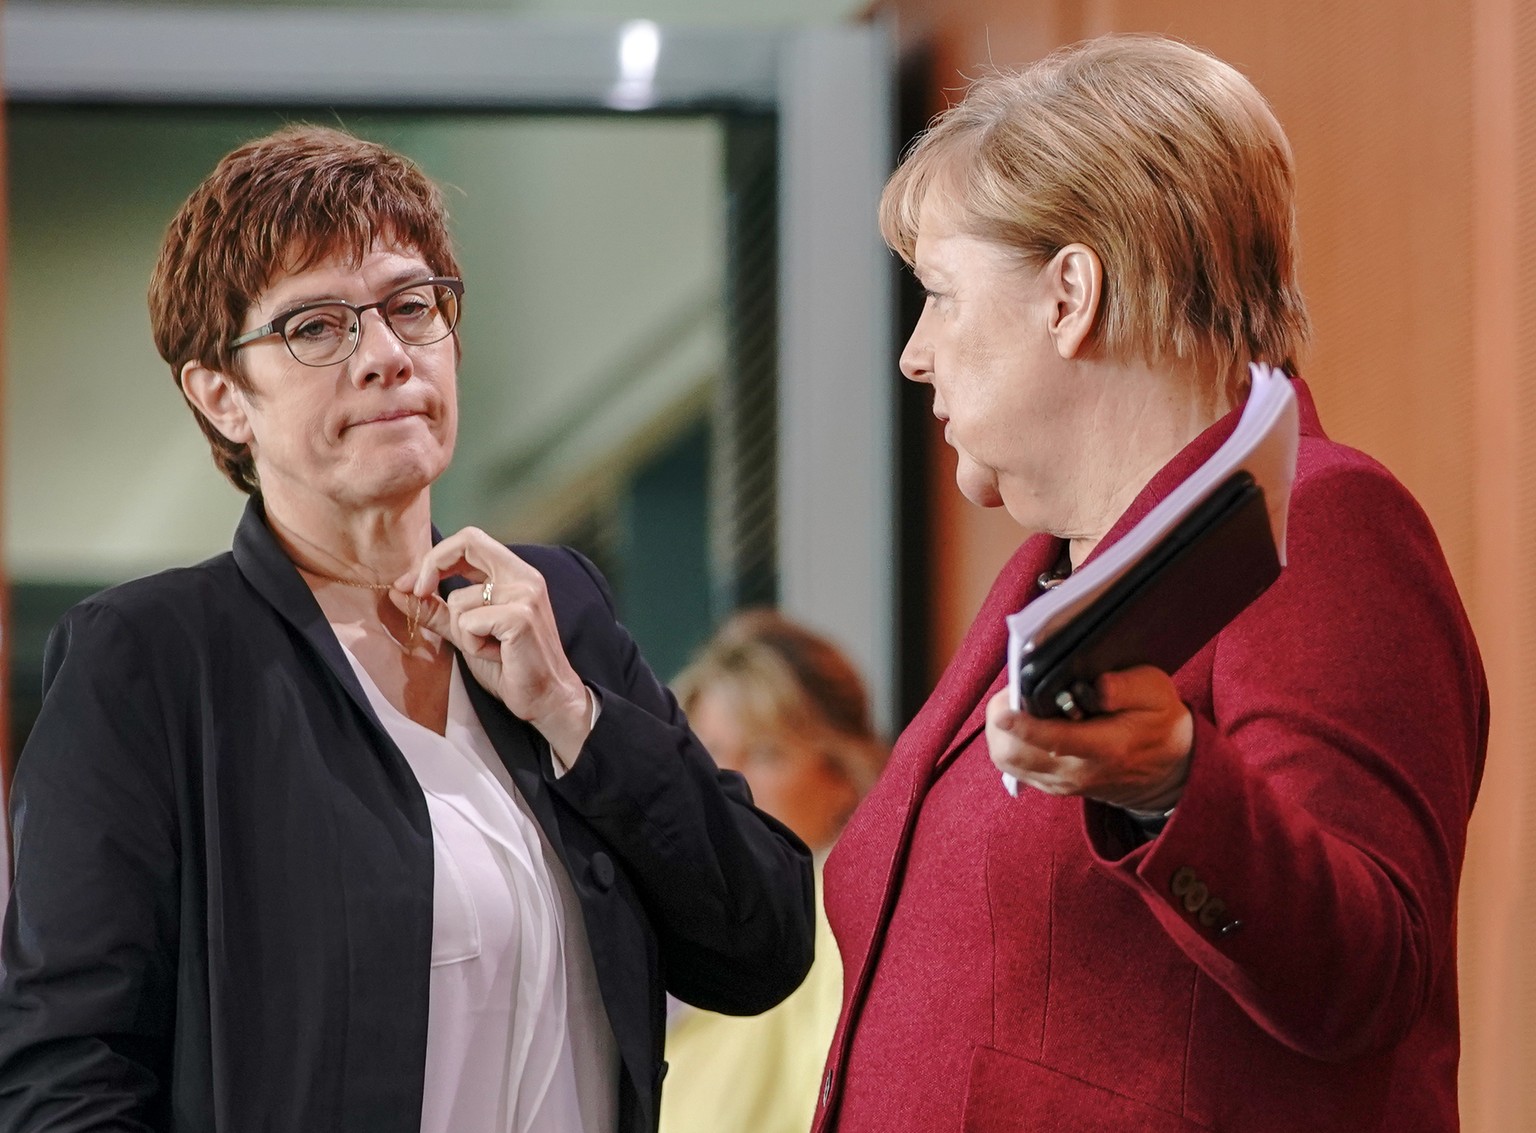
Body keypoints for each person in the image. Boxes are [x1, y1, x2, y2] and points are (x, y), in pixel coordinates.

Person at [0, 124, 814, 1133]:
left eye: (410, 305)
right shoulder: (157, 659)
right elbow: (65, 1075)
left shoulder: (556, 605)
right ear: (221, 396)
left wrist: (574, 713)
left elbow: (764, 942)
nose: (385, 354)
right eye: (316, 327)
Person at [814, 33, 1487, 1133]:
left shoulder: (1318, 523)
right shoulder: (1047, 579)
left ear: (1070, 294)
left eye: (938, 294)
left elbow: (1366, 974)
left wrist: (1172, 783)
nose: (915, 352)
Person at [658, 610, 886, 1133]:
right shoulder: (669, 909)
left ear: (846, 774)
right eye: (709, 751)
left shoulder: (848, 927)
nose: (725, 781)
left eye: (766, 752)